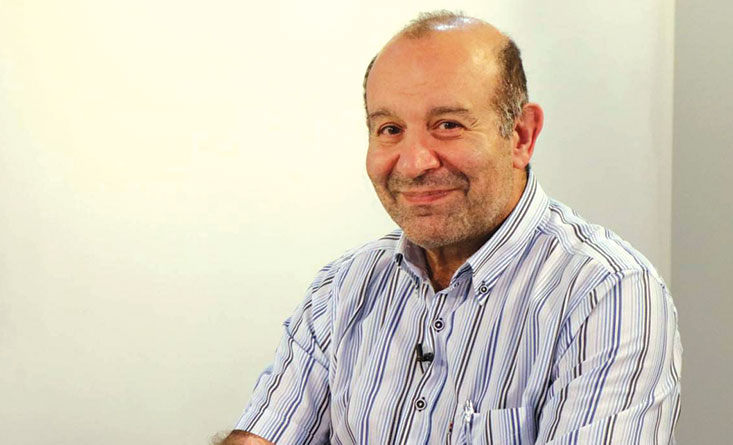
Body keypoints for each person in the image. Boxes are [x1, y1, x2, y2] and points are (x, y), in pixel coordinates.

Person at [216, 11, 682, 445]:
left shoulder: (607, 294)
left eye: (448, 125)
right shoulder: (342, 288)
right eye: (390, 129)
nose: (414, 163)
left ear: (521, 136)